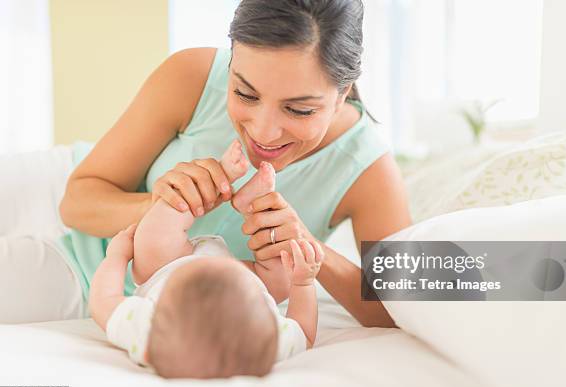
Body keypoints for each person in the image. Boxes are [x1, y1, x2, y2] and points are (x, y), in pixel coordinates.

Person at [1, 0, 411, 326]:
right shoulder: (192, 74)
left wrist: (308, 247)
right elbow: (76, 202)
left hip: (98, 281)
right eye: (245, 94)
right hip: (63, 195)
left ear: (343, 94)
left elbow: (405, 304)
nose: (264, 133)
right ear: (231, 62)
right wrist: (163, 205)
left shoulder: (367, 167)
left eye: (300, 110)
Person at [90, 193, 322, 378]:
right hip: (251, 276)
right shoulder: (267, 343)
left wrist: (116, 256)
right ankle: (256, 200)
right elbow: (305, 333)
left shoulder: (150, 336)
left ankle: (216, 184)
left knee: (158, 228)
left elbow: (104, 300)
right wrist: (302, 282)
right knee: (281, 274)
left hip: (169, 265)